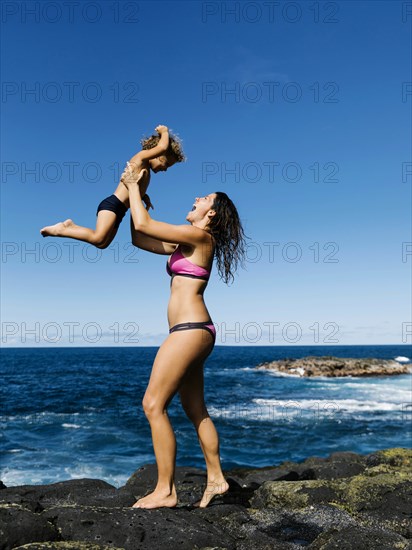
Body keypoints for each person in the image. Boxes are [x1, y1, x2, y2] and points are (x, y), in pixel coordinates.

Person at [124, 168, 246, 509]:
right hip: (193, 331)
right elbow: (140, 236)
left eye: (203, 199)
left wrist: (134, 188)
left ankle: (166, 491)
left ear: (212, 214)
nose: (196, 199)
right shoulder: (186, 241)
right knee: (195, 410)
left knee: (152, 404)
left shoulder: (201, 239)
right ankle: (217, 479)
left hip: (190, 331)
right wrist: (139, 201)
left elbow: (147, 225)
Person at [39, 125, 185, 248]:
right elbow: (163, 146)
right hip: (112, 204)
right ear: (156, 153)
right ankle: (63, 229)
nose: (165, 169)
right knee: (97, 238)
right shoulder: (140, 159)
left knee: (103, 244)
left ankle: (72, 226)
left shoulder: (146, 173)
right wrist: (164, 132)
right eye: (165, 164)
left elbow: (134, 189)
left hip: (121, 210)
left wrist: (144, 197)